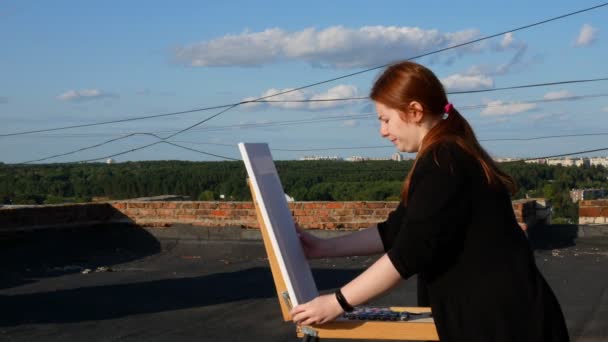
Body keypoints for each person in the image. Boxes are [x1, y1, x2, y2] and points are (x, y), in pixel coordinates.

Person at [289, 61, 569, 341]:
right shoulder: (446, 154)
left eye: (385, 119)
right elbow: (395, 231)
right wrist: (322, 248)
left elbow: (407, 255)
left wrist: (336, 303)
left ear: (414, 111)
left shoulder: (444, 162)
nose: (383, 131)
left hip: (505, 324)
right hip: (504, 318)